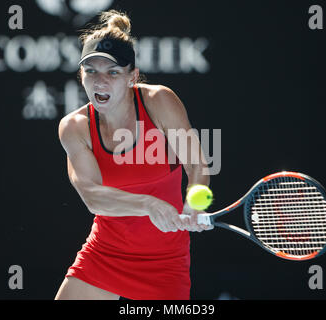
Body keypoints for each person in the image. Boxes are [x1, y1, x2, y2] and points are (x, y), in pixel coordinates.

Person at [55, 10, 212, 300]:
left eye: (112, 72)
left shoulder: (159, 101)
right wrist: (148, 204)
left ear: (132, 77)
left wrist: (196, 200)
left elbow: (197, 165)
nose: (100, 81)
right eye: (91, 71)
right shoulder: (74, 127)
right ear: (81, 76)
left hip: (166, 263)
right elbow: (92, 196)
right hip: (104, 255)